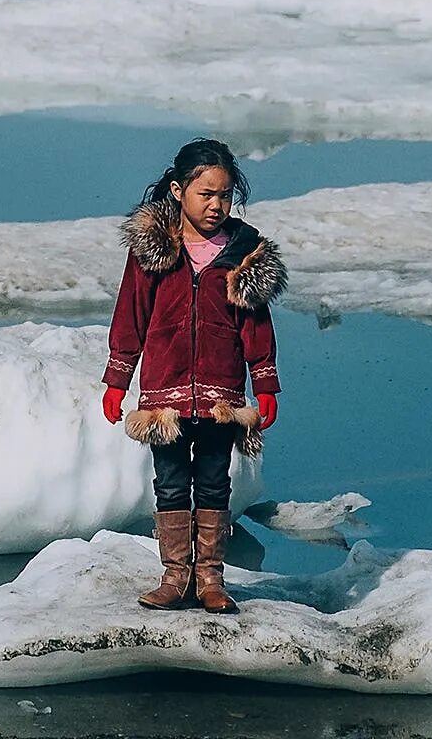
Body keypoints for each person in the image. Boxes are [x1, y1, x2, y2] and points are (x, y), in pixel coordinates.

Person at [101, 137, 286, 614]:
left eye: (224, 195)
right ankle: (174, 575)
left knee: (212, 481)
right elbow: (130, 315)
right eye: (206, 194)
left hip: (221, 392)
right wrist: (118, 378)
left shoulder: (244, 252)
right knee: (169, 481)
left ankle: (210, 578)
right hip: (165, 391)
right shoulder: (154, 248)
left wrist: (263, 382)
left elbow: (256, 325)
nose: (216, 205)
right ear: (180, 190)